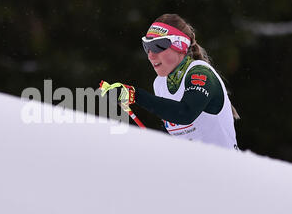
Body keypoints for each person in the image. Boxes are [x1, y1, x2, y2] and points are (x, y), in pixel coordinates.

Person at [100, 13, 239, 150]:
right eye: (147, 47)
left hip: (223, 168)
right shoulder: (160, 83)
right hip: (193, 168)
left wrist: (136, 95)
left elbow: (185, 113)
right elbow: (179, 133)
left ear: (180, 45)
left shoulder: (200, 73)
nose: (150, 55)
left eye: (157, 46)